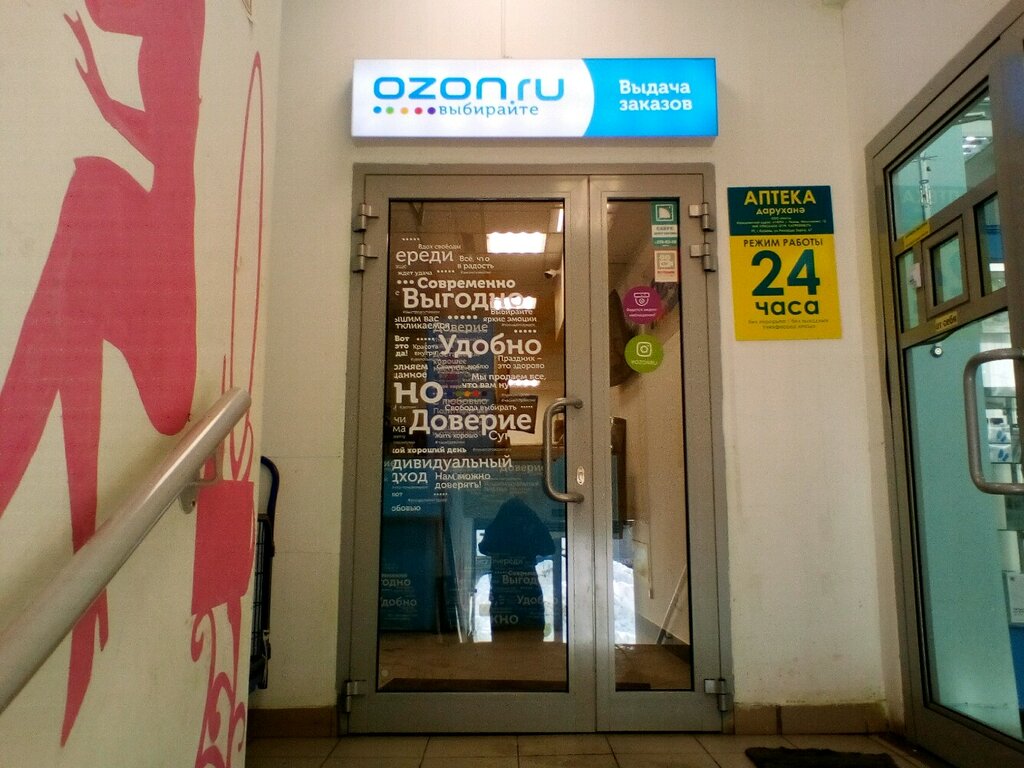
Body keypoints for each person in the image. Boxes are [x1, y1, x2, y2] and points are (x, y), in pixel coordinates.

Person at [479, 497, 556, 639]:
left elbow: (484, 548)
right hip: (527, 590)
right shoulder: (531, 528)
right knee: (532, 638)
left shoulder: (497, 528)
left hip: (503, 590)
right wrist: (533, 519)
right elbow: (549, 548)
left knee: (503, 640)